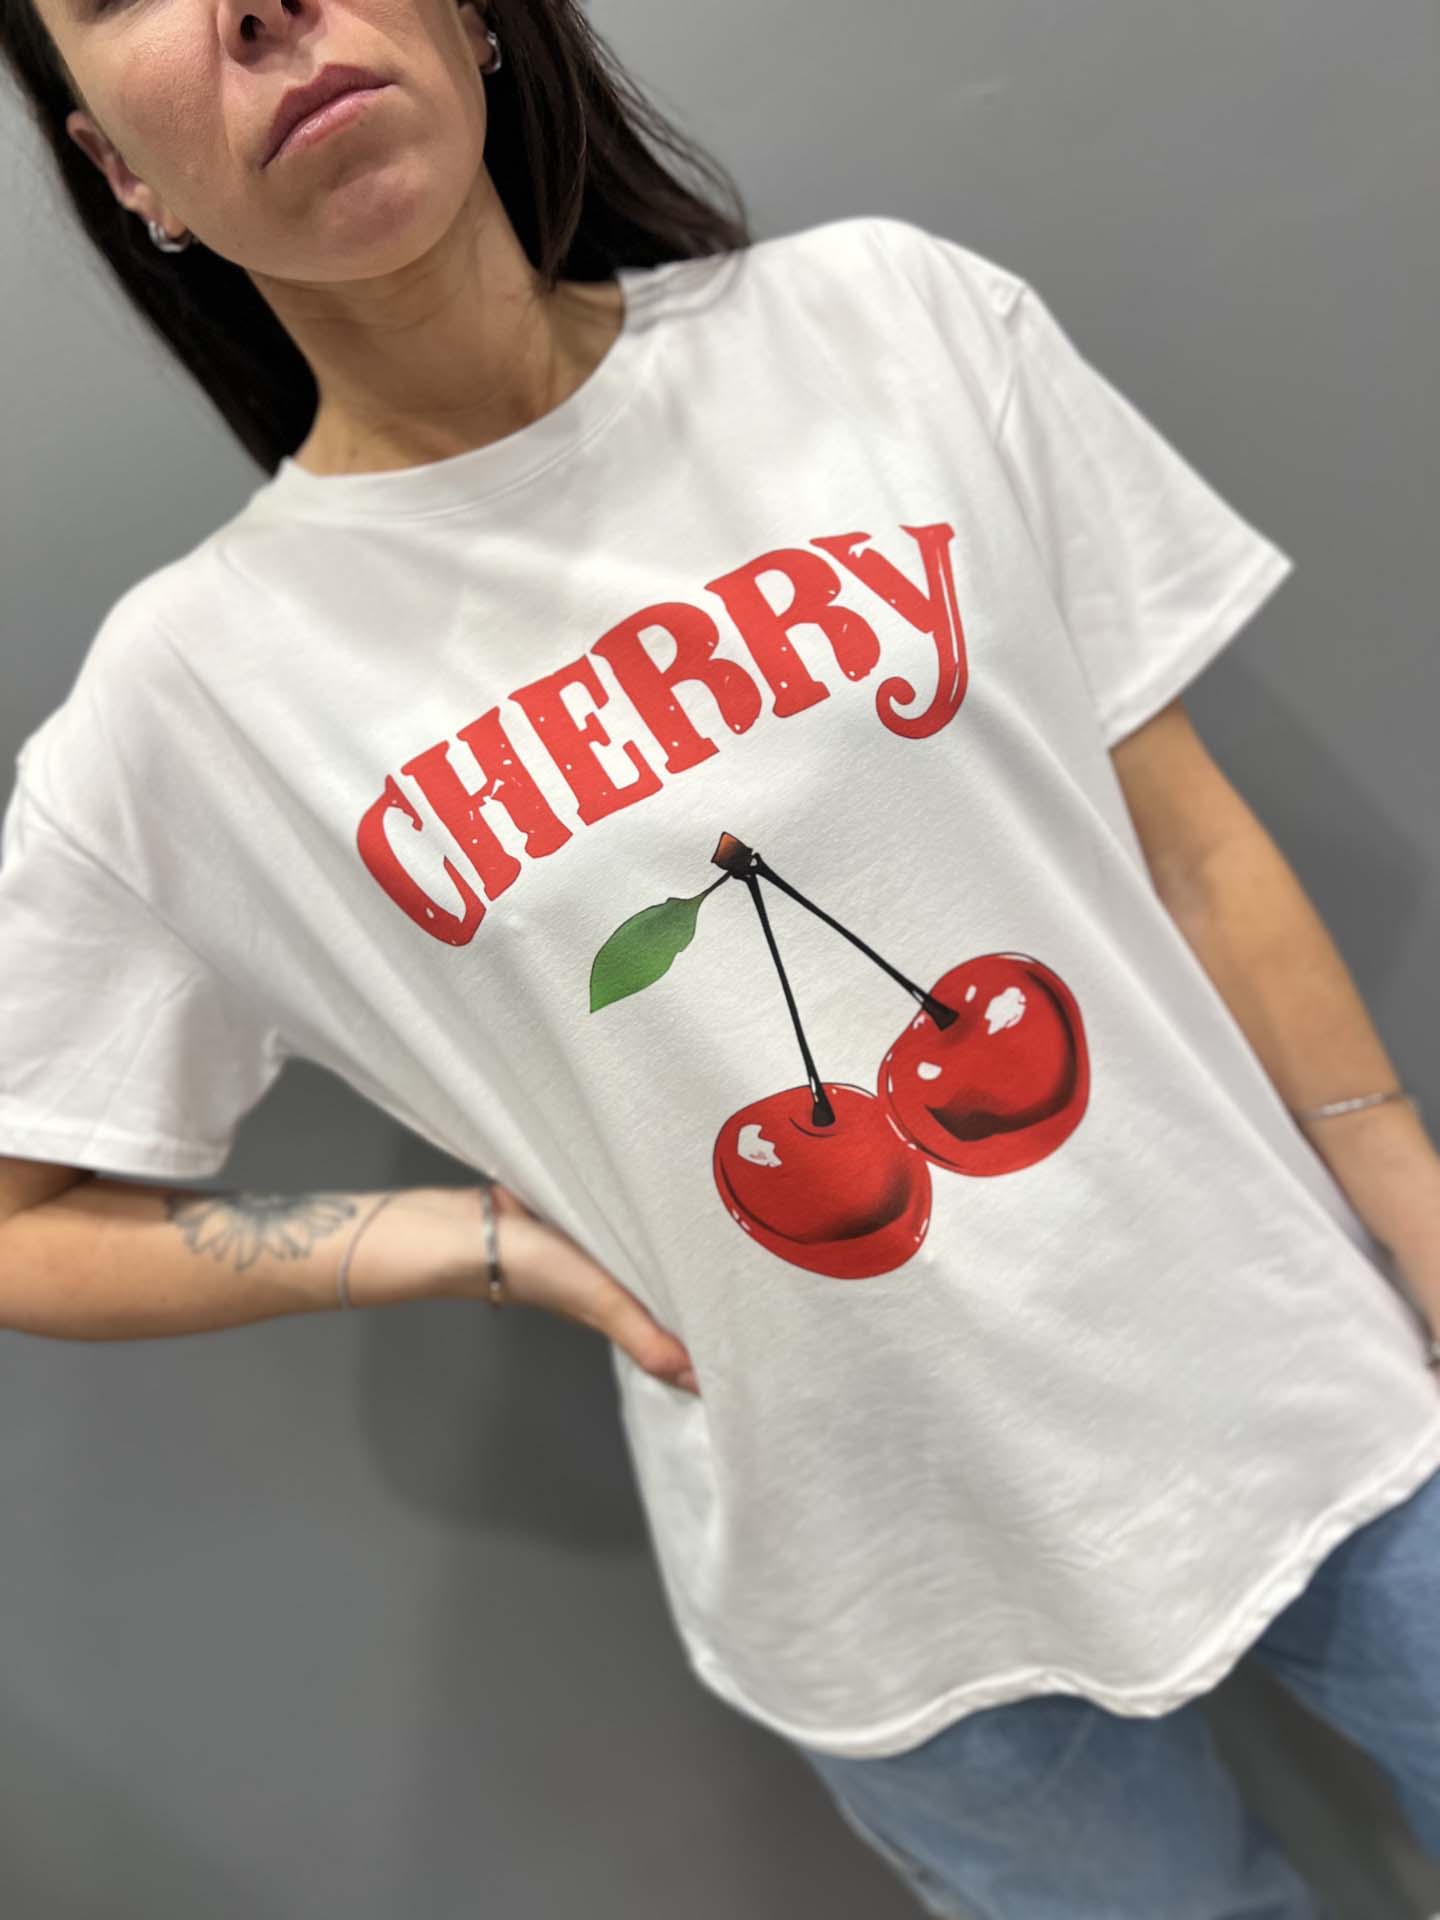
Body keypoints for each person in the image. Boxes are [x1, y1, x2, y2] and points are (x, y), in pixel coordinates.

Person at [1, 1, 1438, 1912]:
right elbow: (20, 1219)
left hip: (1296, 1381)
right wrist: (465, 1239)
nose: (255, 2)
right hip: (883, 1586)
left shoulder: (889, 327)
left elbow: (1189, 846)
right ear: (123, 172)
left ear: (473, 18)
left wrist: (1413, 1208)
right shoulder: (186, 710)